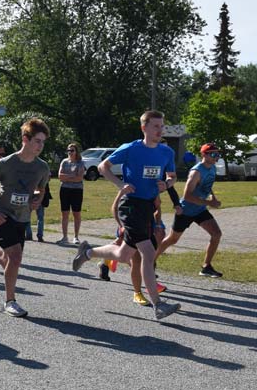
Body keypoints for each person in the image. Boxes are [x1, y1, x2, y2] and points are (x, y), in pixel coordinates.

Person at [71, 111, 182, 320]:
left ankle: (88, 252)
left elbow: (172, 176)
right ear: (144, 128)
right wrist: (121, 184)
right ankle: (158, 305)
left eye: (162, 126)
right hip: (130, 205)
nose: (160, 130)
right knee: (148, 254)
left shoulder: (166, 152)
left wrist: (166, 183)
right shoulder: (131, 148)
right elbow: (104, 167)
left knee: (124, 255)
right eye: (156, 126)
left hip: (148, 207)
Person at [0, 119, 51, 317]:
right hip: (3, 215)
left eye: (43, 142)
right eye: (37, 141)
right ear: (25, 139)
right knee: (15, 258)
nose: (40, 146)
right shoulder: (5, 163)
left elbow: (41, 189)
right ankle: (10, 301)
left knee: (9, 259)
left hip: (23, 216)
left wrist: (37, 200)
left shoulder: (42, 167)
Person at [155, 143, 224, 278]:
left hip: (200, 210)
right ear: (204, 155)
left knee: (216, 234)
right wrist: (209, 202)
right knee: (172, 239)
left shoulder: (212, 168)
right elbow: (187, 196)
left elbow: (207, 185)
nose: (217, 157)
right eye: (213, 154)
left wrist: (213, 197)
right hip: (185, 210)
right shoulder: (196, 172)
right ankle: (150, 262)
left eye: (218, 154)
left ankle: (206, 267)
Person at [57, 143, 85, 244]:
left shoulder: (80, 163)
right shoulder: (64, 162)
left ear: (76, 152)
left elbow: (79, 178)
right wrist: (73, 176)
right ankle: (64, 237)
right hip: (64, 190)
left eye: (72, 150)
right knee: (65, 213)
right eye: (68, 150)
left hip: (77, 191)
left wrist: (67, 177)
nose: (70, 152)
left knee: (76, 213)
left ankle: (76, 237)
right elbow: (60, 176)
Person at [26, 175, 51, 243]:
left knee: (39, 217)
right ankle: (30, 235)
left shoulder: (36, 167)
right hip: (32, 194)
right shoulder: (43, 167)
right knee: (28, 216)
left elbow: (48, 178)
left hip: (40, 195)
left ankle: (38, 236)